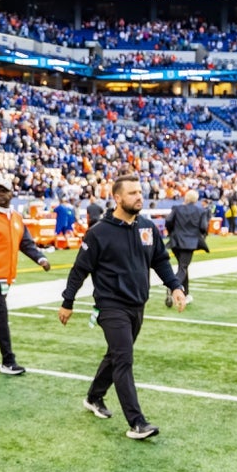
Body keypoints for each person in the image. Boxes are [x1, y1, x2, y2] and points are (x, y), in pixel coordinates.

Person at [57, 174, 186, 440]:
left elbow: (160, 261)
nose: (139, 196)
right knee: (124, 359)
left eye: (140, 192)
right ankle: (137, 422)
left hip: (138, 304)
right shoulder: (99, 232)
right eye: (132, 193)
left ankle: (94, 397)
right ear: (117, 198)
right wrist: (67, 302)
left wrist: (175, 287)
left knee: (115, 355)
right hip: (110, 305)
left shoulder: (148, 228)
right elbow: (79, 270)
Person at [0, 174, 50, 375]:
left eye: (4, 191)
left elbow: (26, 243)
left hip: (5, 279)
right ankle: (8, 360)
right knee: (0, 319)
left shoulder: (16, 218)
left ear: (12, 194)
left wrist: (41, 259)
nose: (0, 194)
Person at [163, 188, 209, 306]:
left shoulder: (177, 208)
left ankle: (186, 293)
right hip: (189, 243)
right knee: (183, 267)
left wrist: (172, 232)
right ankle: (173, 287)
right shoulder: (200, 211)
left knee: (183, 267)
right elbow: (203, 227)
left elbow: (168, 221)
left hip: (176, 241)